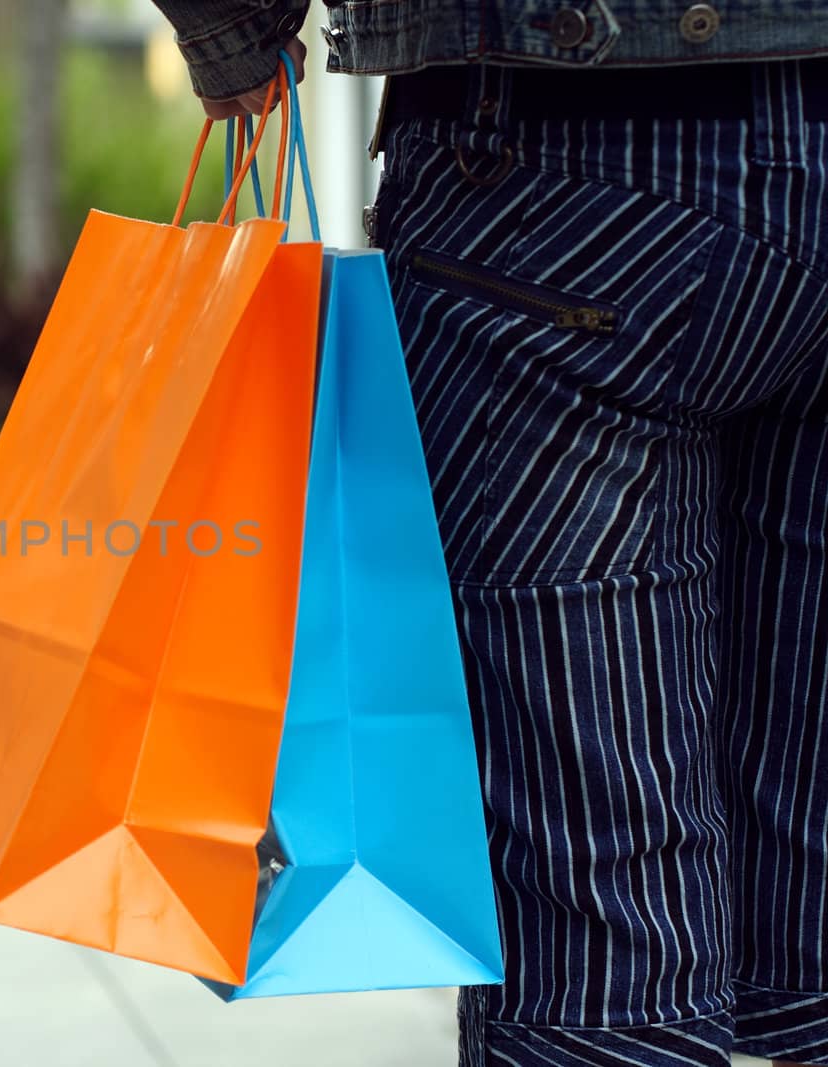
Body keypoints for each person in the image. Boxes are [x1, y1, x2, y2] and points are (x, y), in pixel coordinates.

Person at [149, 2, 828, 1065]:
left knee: (599, 918)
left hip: (561, 169)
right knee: (811, 864)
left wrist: (235, 32)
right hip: (590, 173)